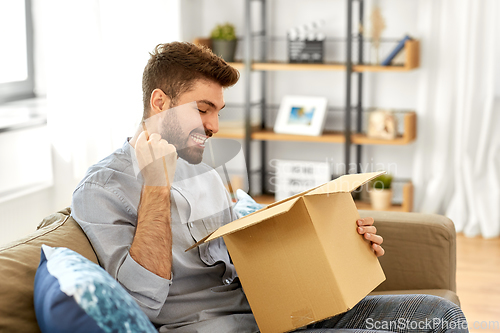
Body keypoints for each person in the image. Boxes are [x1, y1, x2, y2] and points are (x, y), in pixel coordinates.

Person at [71, 42, 468, 333]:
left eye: (218, 112)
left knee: (439, 316)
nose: (214, 127)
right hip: (218, 327)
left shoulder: (204, 168)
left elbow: (244, 260)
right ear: (160, 103)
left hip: (277, 311)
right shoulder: (101, 189)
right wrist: (156, 187)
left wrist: (335, 244)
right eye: (203, 109)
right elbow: (141, 301)